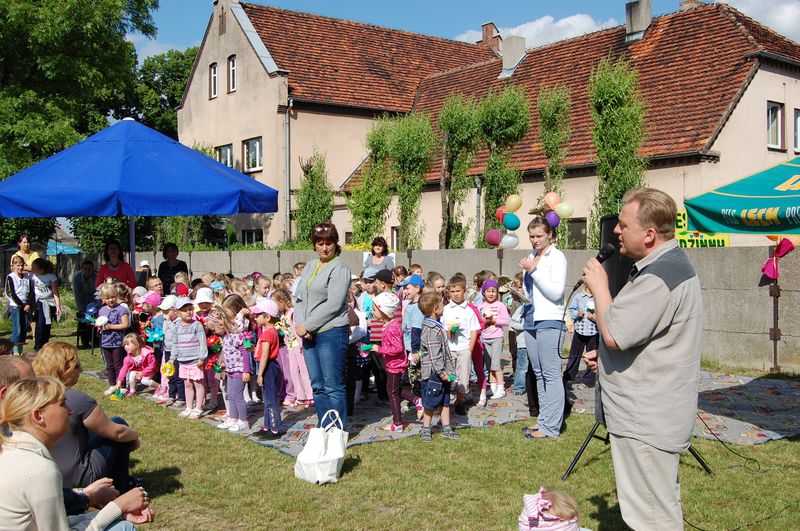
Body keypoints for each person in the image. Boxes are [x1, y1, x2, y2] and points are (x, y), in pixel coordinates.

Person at [581, 188, 702, 530]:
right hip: (651, 414)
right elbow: (642, 336)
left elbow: (616, 334)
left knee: (652, 519)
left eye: (623, 225)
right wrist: (602, 357)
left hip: (647, 420)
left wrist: (600, 288)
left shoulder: (660, 276)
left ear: (649, 234)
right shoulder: (668, 266)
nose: (616, 232)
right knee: (656, 509)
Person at [0, 376, 153, 530]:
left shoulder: (10, 450)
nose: (70, 411)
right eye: (62, 404)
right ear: (38, 416)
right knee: (124, 528)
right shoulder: (40, 470)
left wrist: (107, 507)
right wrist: (118, 506)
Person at [32, 342, 142, 493]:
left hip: (43, 475)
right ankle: (121, 486)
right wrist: (134, 436)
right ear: (62, 370)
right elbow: (117, 432)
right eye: (77, 367)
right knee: (118, 423)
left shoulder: (28, 395)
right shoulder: (75, 399)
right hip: (79, 476)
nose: (81, 370)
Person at [294, 222, 352, 428]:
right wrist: (300, 325)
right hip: (309, 333)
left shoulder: (340, 268)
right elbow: (299, 297)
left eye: (329, 243)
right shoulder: (310, 265)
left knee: (332, 385)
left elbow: (334, 304)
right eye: (320, 243)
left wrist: (308, 325)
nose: (324, 247)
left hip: (331, 331)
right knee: (317, 385)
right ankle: (324, 425)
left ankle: (337, 430)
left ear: (336, 244)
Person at [519, 216, 567, 439]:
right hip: (530, 318)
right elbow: (533, 292)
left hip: (550, 320)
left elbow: (556, 293)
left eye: (539, 236)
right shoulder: (531, 256)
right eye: (531, 236)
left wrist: (534, 271)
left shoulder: (557, 257)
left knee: (551, 374)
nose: (535, 240)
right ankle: (543, 420)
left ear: (550, 235)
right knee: (538, 373)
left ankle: (552, 427)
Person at [368, 292, 414, 432]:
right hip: (392, 364)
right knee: (394, 390)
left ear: (384, 311)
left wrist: (379, 349)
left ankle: (398, 423)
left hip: (395, 365)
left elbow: (398, 348)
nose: (373, 312)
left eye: (375, 309)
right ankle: (418, 401)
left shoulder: (392, 327)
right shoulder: (389, 325)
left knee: (392, 393)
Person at [418, 292, 458, 442]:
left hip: (442, 372)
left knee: (445, 401)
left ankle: (446, 427)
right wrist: (442, 374)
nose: (443, 307)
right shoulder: (432, 330)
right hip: (434, 374)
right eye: (441, 304)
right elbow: (435, 356)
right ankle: (425, 429)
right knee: (430, 402)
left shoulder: (435, 325)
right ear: (435, 309)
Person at [207, 306, 251, 433]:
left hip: (239, 370)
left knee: (237, 396)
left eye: (214, 329)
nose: (214, 332)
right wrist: (224, 366)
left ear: (221, 323)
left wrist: (246, 371)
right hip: (230, 370)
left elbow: (245, 353)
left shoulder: (235, 335)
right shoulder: (226, 336)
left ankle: (243, 421)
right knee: (230, 395)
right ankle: (233, 417)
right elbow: (230, 354)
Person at [442, 274, 480, 416]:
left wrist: (469, 349)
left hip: (464, 348)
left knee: (463, 377)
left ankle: (460, 401)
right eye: (452, 291)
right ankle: (446, 401)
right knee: (449, 376)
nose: (455, 294)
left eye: (458, 291)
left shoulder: (469, 310)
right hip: (450, 349)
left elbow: (474, 330)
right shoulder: (446, 309)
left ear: (464, 291)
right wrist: (448, 332)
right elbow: (442, 327)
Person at [271, 288, 313, 407]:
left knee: (304, 371)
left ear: (282, 302)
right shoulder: (282, 316)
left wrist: (301, 344)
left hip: (297, 346)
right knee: (293, 371)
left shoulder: (292, 313)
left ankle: (310, 395)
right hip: (290, 346)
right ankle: (300, 396)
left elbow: (296, 330)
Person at [168, 297, 208, 420]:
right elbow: (174, 343)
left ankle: (198, 408)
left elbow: (203, 342)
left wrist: (202, 357)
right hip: (182, 361)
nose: (188, 312)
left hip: (196, 361)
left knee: (198, 384)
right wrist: (172, 358)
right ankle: (189, 407)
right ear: (178, 312)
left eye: (190, 309)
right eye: (184, 310)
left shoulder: (197, 325)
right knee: (187, 384)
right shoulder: (175, 326)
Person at [252, 299, 284, 436]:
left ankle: (275, 428)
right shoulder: (270, 332)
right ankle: (267, 426)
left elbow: (265, 356)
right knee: (267, 398)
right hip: (269, 365)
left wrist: (259, 374)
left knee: (270, 399)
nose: (255, 317)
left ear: (267, 317)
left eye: (258, 314)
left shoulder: (267, 333)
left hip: (268, 367)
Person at [478, 278, 510, 401]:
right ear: (484, 293)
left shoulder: (500, 305)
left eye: (494, 291)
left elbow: (506, 321)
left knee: (496, 364)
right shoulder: (480, 306)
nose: (491, 293)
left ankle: (501, 388)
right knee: (489, 365)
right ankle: (493, 387)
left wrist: (494, 321)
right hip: (485, 338)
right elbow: (479, 322)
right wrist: (484, 322)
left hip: (497, 337)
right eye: (488, 291)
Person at [97, 283, 131, 395]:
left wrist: (111, 326)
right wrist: (99, 326)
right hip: (105, 342)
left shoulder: (121, 309)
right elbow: (100, 323)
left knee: (119, 365)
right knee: (109, 365)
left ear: (116, 296)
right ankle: (112, 385)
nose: (111, 300)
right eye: (107, 298)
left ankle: (122, 385)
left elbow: (125, 325)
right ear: (103, 299)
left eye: (112, 297)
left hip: (117, 342)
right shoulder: (102, 310)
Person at [563, 286, 598, 390]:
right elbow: (571, 310)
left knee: (591, 357)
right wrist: (577, 314)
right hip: (580, 330)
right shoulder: (578, 297)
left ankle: (588, 380)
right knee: (574, 355)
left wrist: (595, 317)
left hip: (594, 331)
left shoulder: (597, 297)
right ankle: (569, 377)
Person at [113, 334, 157, 398]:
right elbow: (124, 369)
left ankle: (159, 388)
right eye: (125, 344)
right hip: (140, 371)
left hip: (150, 370)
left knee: (144, 381)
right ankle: (132, 391)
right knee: (131, 374)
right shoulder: (128, 358)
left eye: (128, 344)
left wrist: (143, 373)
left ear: (137, 344)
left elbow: (152, 365)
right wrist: (119, 381)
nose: (125, 347)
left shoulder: (147, 354)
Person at [31, 257, 62, 350]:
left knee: (47, 325)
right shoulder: (33, 276)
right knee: (40, 324)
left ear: (41, 269)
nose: (32, 270)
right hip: (39, 302)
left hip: (49, 303)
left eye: (34, 268)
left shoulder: (51, 276)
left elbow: (55, 292)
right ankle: (38, 345)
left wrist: (57, 305)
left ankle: (45, 344)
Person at [6, 255, 33, 354]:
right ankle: (13, 351)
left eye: (21, 265)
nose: (20, 267)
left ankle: (20, 351)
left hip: (26, 305)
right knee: (17, 329)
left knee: (24, 329)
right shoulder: (11, 277)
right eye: (18, 265)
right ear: (13, 266)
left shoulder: (27, 277)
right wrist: (22, 305)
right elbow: (11, 293)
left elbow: (31, 292)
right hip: (16, 306)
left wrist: (28, 304)